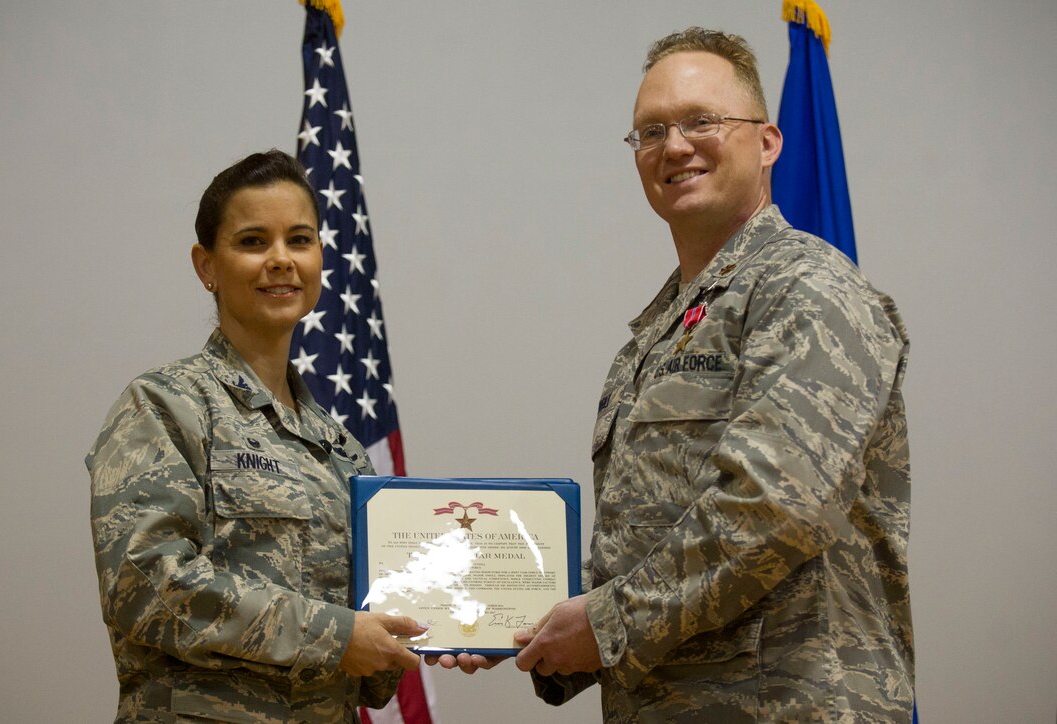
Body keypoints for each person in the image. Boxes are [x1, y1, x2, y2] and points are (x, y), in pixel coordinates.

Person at [512, 27, 914, 722]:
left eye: (702, 121)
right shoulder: (655, 334)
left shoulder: (807, 288)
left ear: (767, 142)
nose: (674, 146)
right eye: (650, 131)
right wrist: (518, 622)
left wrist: (603, 626)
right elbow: (642, 541)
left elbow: (774, 507)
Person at [87, 150, 426, 722]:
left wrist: (447, 622)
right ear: (206, 265)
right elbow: (146, 587)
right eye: (252, 242)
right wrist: (335, 635)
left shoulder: (343, 452)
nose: (280, 261)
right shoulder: (165, 406)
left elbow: (370, 667)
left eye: (299, 240)